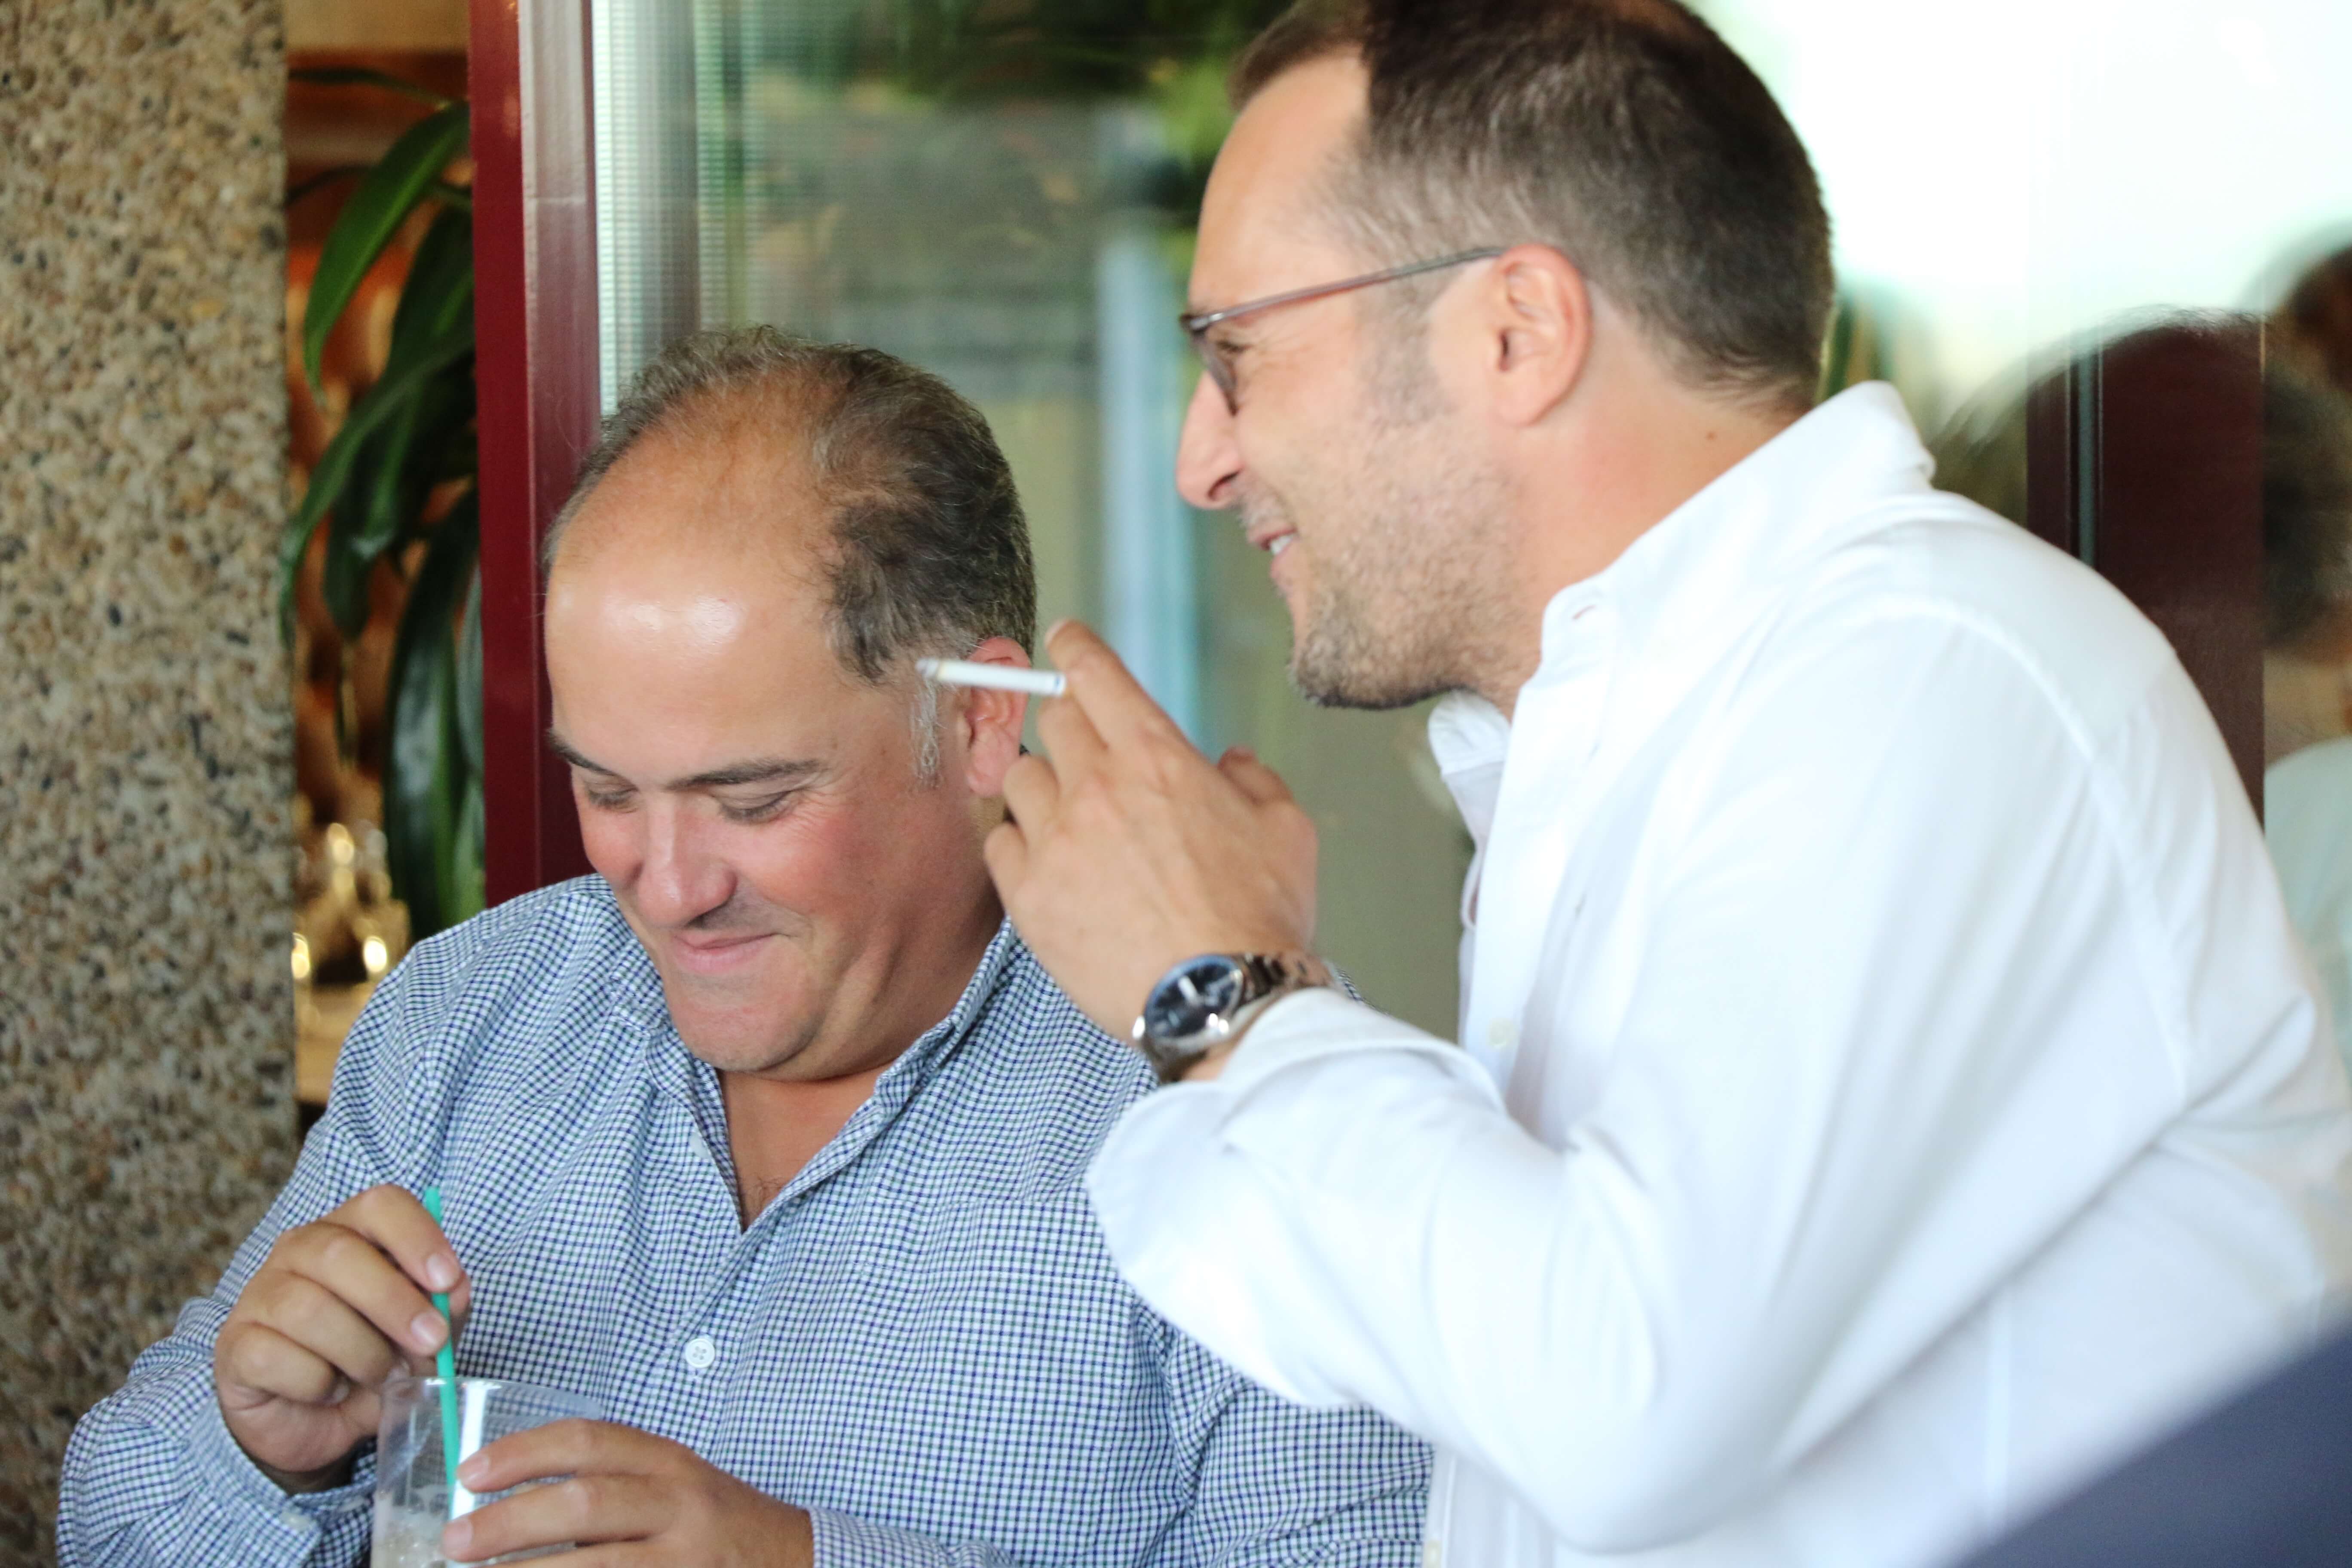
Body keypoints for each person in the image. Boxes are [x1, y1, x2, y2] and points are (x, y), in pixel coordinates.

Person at [976, 3, 2352, 1566]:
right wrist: (1239, 1009)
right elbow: (1486, 1362)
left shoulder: (1924, 670)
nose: (1201, 462)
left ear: (1518, 331)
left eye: (1238, 354)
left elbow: (1619, 1399)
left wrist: (1226, 994)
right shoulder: (1653, 735)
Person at [57, 329, 1429, 1566]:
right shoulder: (467, 1019)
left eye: (754, 801)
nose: (665, 888)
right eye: (607, 791)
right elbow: (110, 1528)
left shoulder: (1237, 1079)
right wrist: (262, 1460)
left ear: (979, 724)